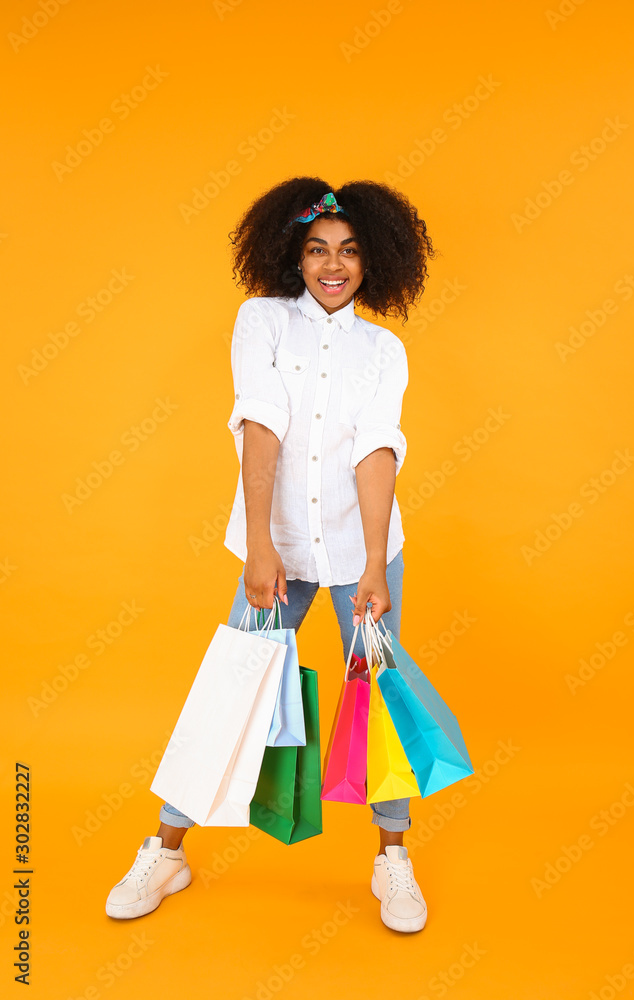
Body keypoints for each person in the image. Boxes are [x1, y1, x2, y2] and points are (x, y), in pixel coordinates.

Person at [106, 177, 436, 933]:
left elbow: (378, 450)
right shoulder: (261, 322)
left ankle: (393, 859)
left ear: (372, 260)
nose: (333, 265)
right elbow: (260, 425)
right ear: (292, 255)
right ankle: (166, 851)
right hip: (276, 547)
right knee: (233, 689)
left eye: (350, 252)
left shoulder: (383, 350)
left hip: (364, 547)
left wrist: (376, 567)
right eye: (318, 249)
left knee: (378, 701)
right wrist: (259, 544)